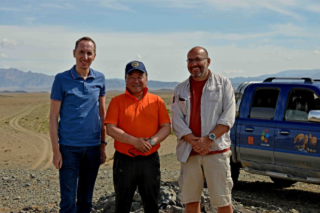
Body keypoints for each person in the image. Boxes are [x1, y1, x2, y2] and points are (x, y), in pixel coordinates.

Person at [171, 47, 235, 213]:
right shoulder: (180, 89)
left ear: (208, 61)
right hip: (189, 152)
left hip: (216, 152)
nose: (194, 64)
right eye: (190, 60)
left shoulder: (223, 84)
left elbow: (228, 117)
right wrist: (195, 142)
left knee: (223, 201)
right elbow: (177, 120)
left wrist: (208, 139)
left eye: (198, 59)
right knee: (191, 202)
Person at [49, 36, 107, 213]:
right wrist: (56, 151)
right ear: (74, 53)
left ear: (94, 56)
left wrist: (102, 146)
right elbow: (53, 117)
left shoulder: (100, 79)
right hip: (68, 149)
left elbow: (102, 114)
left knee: (86, 202)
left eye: (89, 53)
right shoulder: (62, 79)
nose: (85, 56)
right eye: (81, 52)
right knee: (67, 203)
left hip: (93, 148)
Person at [104, 61, 171, 213]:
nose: (136, 81)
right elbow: (110, 129)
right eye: (131, 77)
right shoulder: (117, 101)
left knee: (151, 202)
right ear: (125, 79)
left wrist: (152, 142)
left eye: (139, 76)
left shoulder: (156, 101)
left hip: (150, 159)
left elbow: (166, 127)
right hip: (124, 161)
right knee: (122, 203)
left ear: (146, 78)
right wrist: (134, 141)